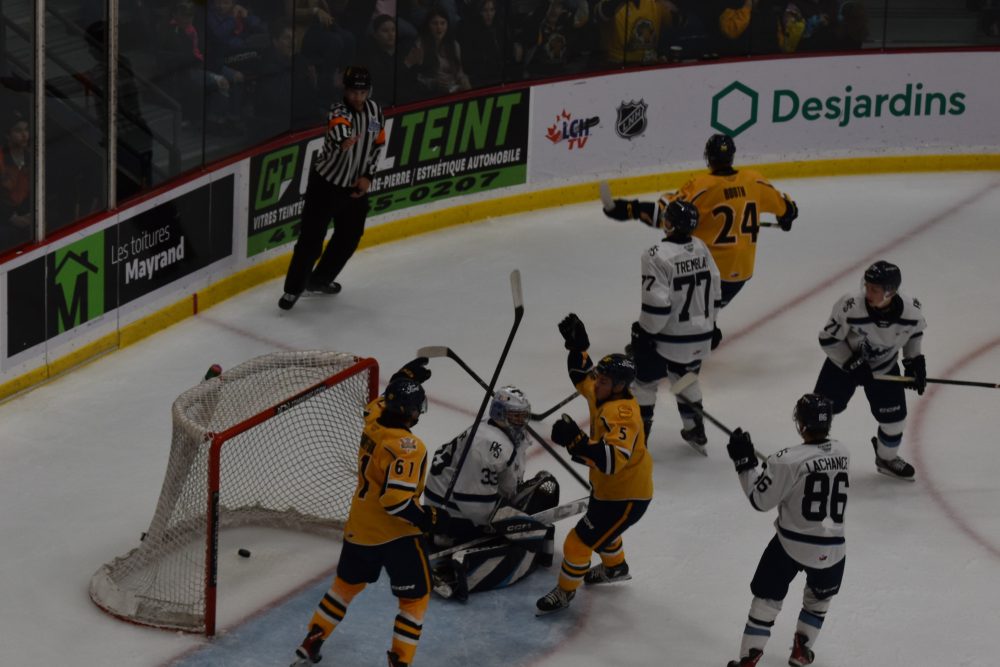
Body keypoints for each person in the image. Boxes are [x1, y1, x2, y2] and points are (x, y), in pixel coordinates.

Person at [289, 358, 448, 667]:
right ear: (411, 413)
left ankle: (312, 640)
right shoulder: (408, 447)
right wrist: (429, 518)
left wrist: (402, 378)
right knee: (414, 600)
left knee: (344, 588)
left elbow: (380, 403)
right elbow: (396, 502)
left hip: (360, 528)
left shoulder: (373, 421)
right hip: (398, 535)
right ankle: (400, 661)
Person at [603, 133, 798, 322]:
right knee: (701, 315)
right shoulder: (754, 180)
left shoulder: (703, 186)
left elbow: (665, 214)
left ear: (708, 157)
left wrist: (630, 209)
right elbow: (788, 209)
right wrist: (786, 218)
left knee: (674, 316)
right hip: (741, 273)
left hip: (706, 272)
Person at [535, 315, 653, 615]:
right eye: (599, 378)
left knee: (578, 543)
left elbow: (612, 461)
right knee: (603, 531)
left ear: (618, 386)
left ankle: (565, 592)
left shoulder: (624, 414)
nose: (596, 383)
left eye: (603, 381)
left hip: (627, 496)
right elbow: (580, 375)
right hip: (607, 490)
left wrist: (575, 440)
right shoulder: (603, 393)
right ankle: (616, 567)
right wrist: (578, 348)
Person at [724, 393, 848, 667]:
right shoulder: (843, 452)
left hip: (791, 546)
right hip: (833, 549)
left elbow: (760, 500)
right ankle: (802, 650)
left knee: (766, 599)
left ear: (801, 425)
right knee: (819, 599)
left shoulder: (786, 460)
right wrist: (775, 471)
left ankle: (749, 658)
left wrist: (745, 464)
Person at [423, 386, 560, 600]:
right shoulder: (487, 444)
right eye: (515, 416)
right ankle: (459, 569)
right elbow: (473, 503)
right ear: (499, 414)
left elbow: (503, 484)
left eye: (523, 415)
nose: (521, 421)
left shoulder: (498, 434)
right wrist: (512, 523)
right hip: (452, 514)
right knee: (524, 544)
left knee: (546, 488)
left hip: (463, 503)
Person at [278, 65, 386, 310]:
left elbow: (377, 145)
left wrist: (368, 175)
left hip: (355, 188)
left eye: (362, 92)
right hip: (325, 186)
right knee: (311, 240)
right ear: (345, 90)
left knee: (350, 236)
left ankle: (319, 280)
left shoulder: (374, 112)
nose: (358, 97)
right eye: (353, 92)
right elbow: (339, 126)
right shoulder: (338, 111)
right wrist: (344, 139)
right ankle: (293, 289)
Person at [813, 260, 926, 481]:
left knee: (894, 422)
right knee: (818, 413)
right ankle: (811, 458)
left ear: (890, 291)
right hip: (842, 366)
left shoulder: (912, 311)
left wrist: (914, 363)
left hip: (884, 367)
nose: (867, 292)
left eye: (874, 289)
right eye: (867, 286)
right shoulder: (850, 306)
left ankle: (886, 459)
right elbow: (828, 339)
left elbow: (913, 335)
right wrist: (851, 363)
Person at [628, 199, 722, 454]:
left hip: (669, 338)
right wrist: (712, 324)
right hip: (701, 335)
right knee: (685, 378)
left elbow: (657, 306)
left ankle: (639, 438)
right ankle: (695, 427)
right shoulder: (701, 247)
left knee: (644, 382)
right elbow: (715, 290)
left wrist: (644, 332)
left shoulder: (655, 254)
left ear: (670, 223)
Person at [0, 110, 33, 253]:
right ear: (8, 135)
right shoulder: (1, 159)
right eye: (18, 131)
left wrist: (29, 215)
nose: (24, 135)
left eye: (26, 130)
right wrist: (11, 217)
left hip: (24, 214)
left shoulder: (32, 157)